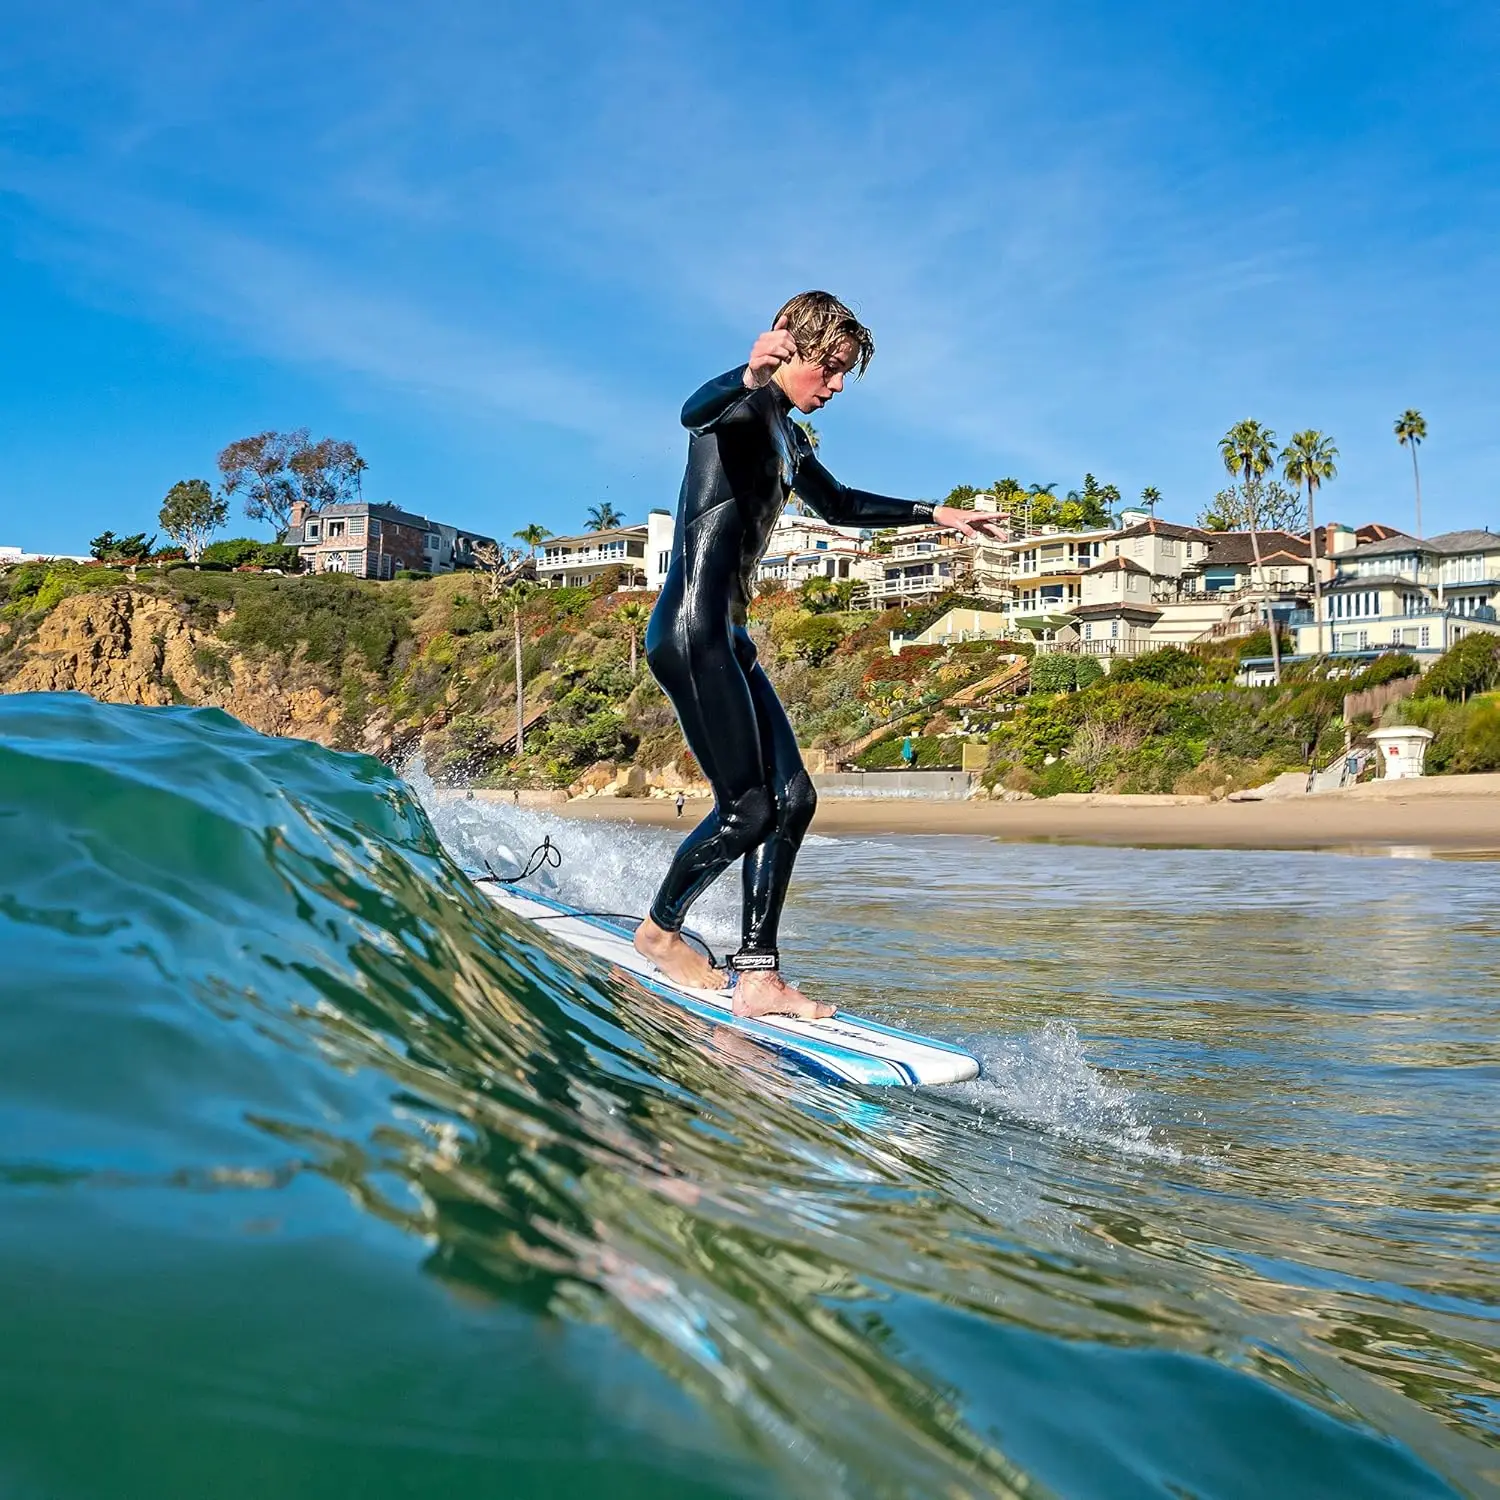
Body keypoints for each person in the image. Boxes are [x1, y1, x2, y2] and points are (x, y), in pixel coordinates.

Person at [631, 291, 1004, 1018]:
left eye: (843, 374)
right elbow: (693, 411)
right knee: (746, 811)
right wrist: (747, 373)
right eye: (828, 369)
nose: (834, 387)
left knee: (792, 798)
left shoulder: (788, 437)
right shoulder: (739, 409)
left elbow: (838, 506)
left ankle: (759, 975)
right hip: (690, 630)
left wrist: (935, 513)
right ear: (787, 349)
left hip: (729, 638)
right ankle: (659, 930)